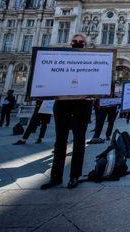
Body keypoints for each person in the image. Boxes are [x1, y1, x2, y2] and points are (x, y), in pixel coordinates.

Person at [41, 34, 93, 190]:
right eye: (75, 41)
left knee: (79, 139)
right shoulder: (61, 58)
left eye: (81, 42)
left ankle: (74, 176)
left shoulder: (92, 59)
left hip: (82, 103)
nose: (77, 43)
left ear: (86, 44)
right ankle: (55, 177)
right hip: (62, 102)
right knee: (60, 140)